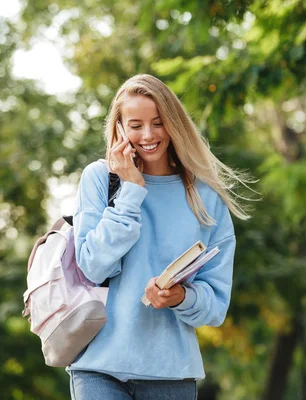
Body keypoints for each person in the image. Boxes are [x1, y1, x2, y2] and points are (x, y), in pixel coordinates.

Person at [66, 74, 252, 399]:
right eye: (136, 125)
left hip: (171, 373)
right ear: (120, 129)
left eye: (158, 122)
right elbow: (93, 267)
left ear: (173, 123)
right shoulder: (99, 179)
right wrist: (132, 190)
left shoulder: (206, 197)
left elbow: (216, 305)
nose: (148, 135)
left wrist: (181, 297)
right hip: (97, 366)